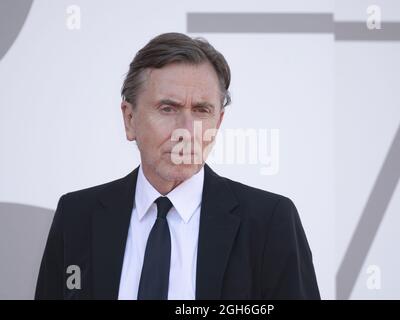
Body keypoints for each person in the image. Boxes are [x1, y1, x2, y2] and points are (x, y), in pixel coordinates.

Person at [35, 32, 320, 300]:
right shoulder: (76, 216)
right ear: (129, 119)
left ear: (218, 123)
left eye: (201, 110)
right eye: (167, 109)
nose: (185, 130)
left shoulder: (270, 222)